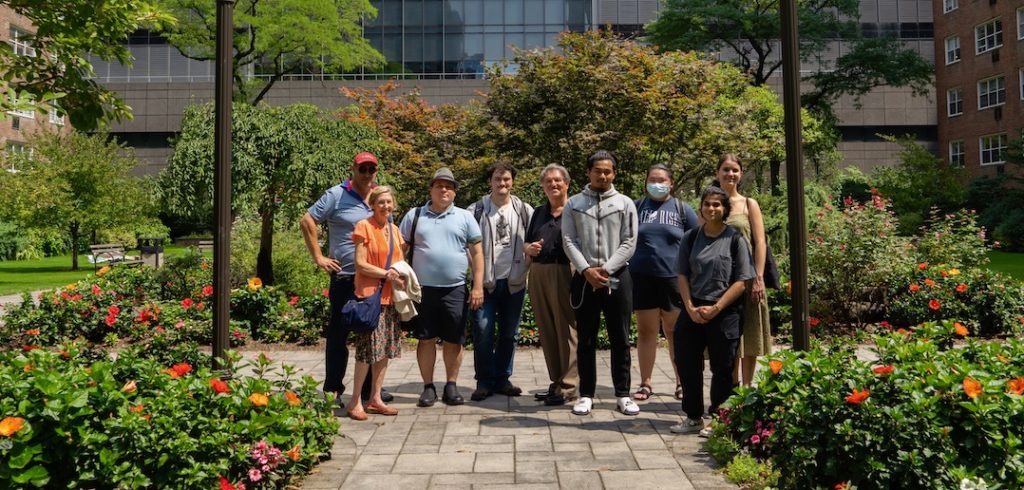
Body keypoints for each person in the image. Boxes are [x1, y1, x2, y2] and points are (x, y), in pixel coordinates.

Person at [301, 151, 392, 406]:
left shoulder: (378, 197)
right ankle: (334, 389)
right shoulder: (336, 195)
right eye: (362, 169)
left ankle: (369, 392)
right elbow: (307, 220)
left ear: (376, 171)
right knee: (339, 334)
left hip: (373, 278)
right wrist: (319, 257)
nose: (366, 174)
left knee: (372, 333)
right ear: (353, 168)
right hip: (345, 276)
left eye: (370, 169)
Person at [670, 186, 754, 436]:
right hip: (693, 307)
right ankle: (693, 416)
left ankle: (719, 418)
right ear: (701, 208)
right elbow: (682, 274)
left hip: (725, 309)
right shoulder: (691, 237)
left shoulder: (735, 239)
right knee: (687, 362)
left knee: (723, 367)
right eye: (707, 204)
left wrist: (717, 307)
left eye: (717, 205)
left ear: (725, 209)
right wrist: (690, 307)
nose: (712, 209)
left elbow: (742, 280)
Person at [562, 150, 639, 416]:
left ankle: (623, 393)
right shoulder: (574, 203)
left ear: (614, 174)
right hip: (584, 278)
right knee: (586, 337)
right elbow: (568, 240)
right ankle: (586, 394)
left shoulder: (625, 203)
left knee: (621, 336)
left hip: (617, 276)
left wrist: (605, 269)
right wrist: (586, 270)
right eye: (598, 171)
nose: (603, 175)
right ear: (588, 172)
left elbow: (629, 242)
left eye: (608, 171)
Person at [399, 167, 484, 407]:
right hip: (422, 289)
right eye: (439, 185)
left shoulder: (465, 217)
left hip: (455, 289)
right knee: (426, 339)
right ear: (431, 189)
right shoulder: (414, 215)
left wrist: (477, 286)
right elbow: (400, 250)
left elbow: (477, 254)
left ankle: (451, 385)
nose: (444, 190)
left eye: (449, 186)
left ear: (454, 192)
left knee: (454, 339)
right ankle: (428, 386)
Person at [630, 164, 699, 402]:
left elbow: (696, 241)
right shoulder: (636, 207)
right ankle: (646, 383)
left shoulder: (682, 209)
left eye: (661, 180)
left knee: (674, 332)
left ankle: (681, 382)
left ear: (671, 183)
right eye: (652, 179)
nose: (656, 184)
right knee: (646, 331)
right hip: (642, 277)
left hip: (673, 279)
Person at [467, 161, 534, 401]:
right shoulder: (476, 210)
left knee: (510, 333)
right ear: (490, 182)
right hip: (485, 283)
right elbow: (468, 247)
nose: (502, 183)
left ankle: (503, 378)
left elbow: (535, 240)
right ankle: (484, 381)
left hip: (514, 281)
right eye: (497, 179)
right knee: (483, 330)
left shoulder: (524, 210)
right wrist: (475, 279)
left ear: (512, 181)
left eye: (506, 179)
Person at [346, 186, 405, 420]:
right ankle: (354, 401)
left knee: (384, 351)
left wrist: (402, 278)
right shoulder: (364, 227)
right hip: (370, 297)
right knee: (366, 351)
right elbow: (360, 264)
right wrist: (386, 274)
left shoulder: (395, 230)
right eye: (380, 202)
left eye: (389, 202)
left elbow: (399, 263)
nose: (385, 206)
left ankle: (375, 399)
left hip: (391, 299)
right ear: (372, 204)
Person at [715, 154, 772, 386]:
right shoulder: (712, 203)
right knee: (728, 340)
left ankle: (747, 389)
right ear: (717, 172)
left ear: (740, 173)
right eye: (726, 169)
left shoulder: (749, 204)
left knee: (750, 336)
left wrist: (758, 277)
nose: (730, 174)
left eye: (735, 170)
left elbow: (760, 242)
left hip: (748, 279)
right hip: (721, 281)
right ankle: (731, 389)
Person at [525, 164, 578, 406]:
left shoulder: (576, 211)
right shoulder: (538, 212)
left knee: (567, 329)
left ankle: (569, 386)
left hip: (565, 270)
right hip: (538, 272)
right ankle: (556, 381)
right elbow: (526, 243)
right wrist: (529, 248)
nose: (553, 185)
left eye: (558, 181)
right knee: (547, 330)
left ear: (567, 184)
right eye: (548, 181)